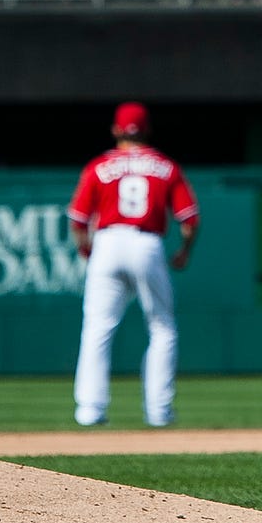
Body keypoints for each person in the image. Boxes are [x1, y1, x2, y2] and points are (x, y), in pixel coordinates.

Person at [67, 102, 200, 427]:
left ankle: (90, 410)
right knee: (162, 327)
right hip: (146, 242)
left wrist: (85, 248)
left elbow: (77, 220)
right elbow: (190, 220)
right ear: (147, 130)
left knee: (97, 327)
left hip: (108, 242)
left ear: (116, 130)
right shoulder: (165, 166)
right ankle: (158, 412)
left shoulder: (99, 166)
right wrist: (184, 250)